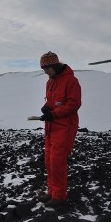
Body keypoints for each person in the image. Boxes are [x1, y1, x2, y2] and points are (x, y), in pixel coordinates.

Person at [38, 51, 82, 208]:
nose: (45, 72)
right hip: (51, 127)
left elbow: (74, 104)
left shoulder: (71, 81)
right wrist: (46, 108)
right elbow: (52, 102)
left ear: (54, 66)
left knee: (57, 162)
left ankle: (59, 197)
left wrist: (54, 114)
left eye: (46, 69)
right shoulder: (50, 81)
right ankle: (52, 192)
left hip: (65, 127)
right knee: (49, 160)